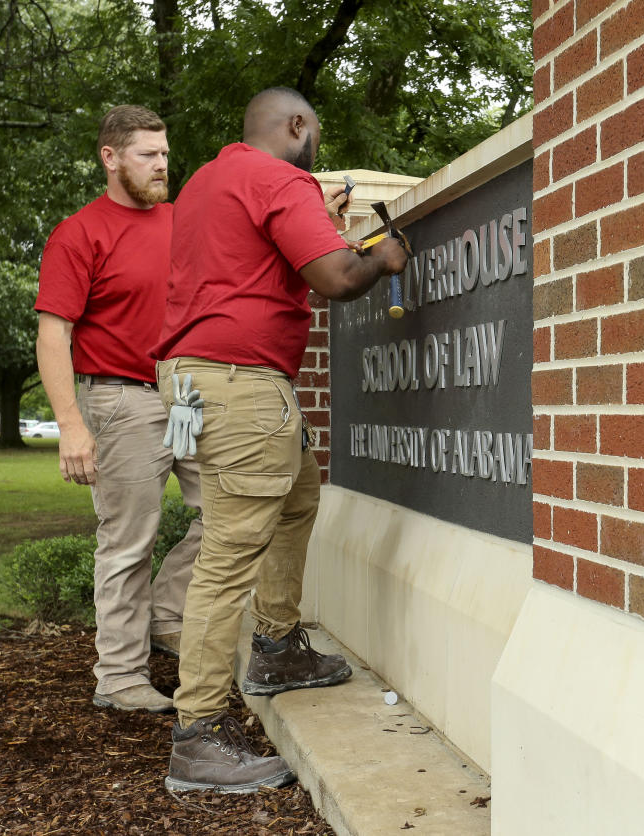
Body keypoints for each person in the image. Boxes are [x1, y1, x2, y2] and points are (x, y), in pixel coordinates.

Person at [153, 86, 409, 793]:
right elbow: (334, 276)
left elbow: (251, 267)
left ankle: (276, 647)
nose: (316, 147)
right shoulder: (280, 179)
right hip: (239, 383)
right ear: (296, 126)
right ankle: (197, 736)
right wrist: (383, 256)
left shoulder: (210, 179)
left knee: (297, 496)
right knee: (227, 555)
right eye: (315, 133)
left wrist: (315, 225)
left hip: (203, 377)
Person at [35, 105, 203, 714]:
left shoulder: (181, 221)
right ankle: (121, 676)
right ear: (110, 157)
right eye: (148, 155)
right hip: (120, 401)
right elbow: (53, 334)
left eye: (164, 153)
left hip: (184, 395)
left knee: (229, 514)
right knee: (129, 541)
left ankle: (164, 615)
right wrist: (71, 427)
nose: (163, 164)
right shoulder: (79, 233)